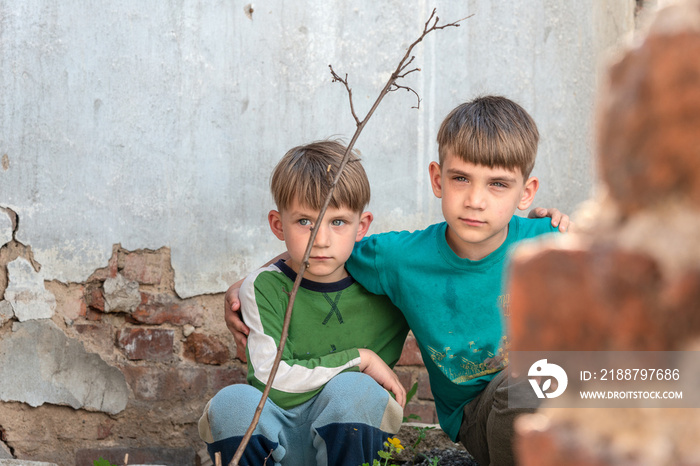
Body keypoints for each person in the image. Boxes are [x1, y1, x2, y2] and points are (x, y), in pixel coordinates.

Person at [225, 96, 572, 465]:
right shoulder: (400, 259)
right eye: (461, 178)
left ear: (527, 192)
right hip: (479, 419)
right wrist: (246, 286)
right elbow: (320, 248)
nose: (475, 200)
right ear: (438, 179)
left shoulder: (552, 242)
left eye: (498, 185)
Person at [199, 140, 410, 466]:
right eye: (304, 222)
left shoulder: (388, 280)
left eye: (337, 221)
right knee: (232, 402)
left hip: (350, 431)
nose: (321, 239)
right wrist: (360, 359)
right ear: (277, 225)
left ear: (362, 226)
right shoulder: (264, 287)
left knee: (354, 390)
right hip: (278, 430)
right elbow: (272, 382)